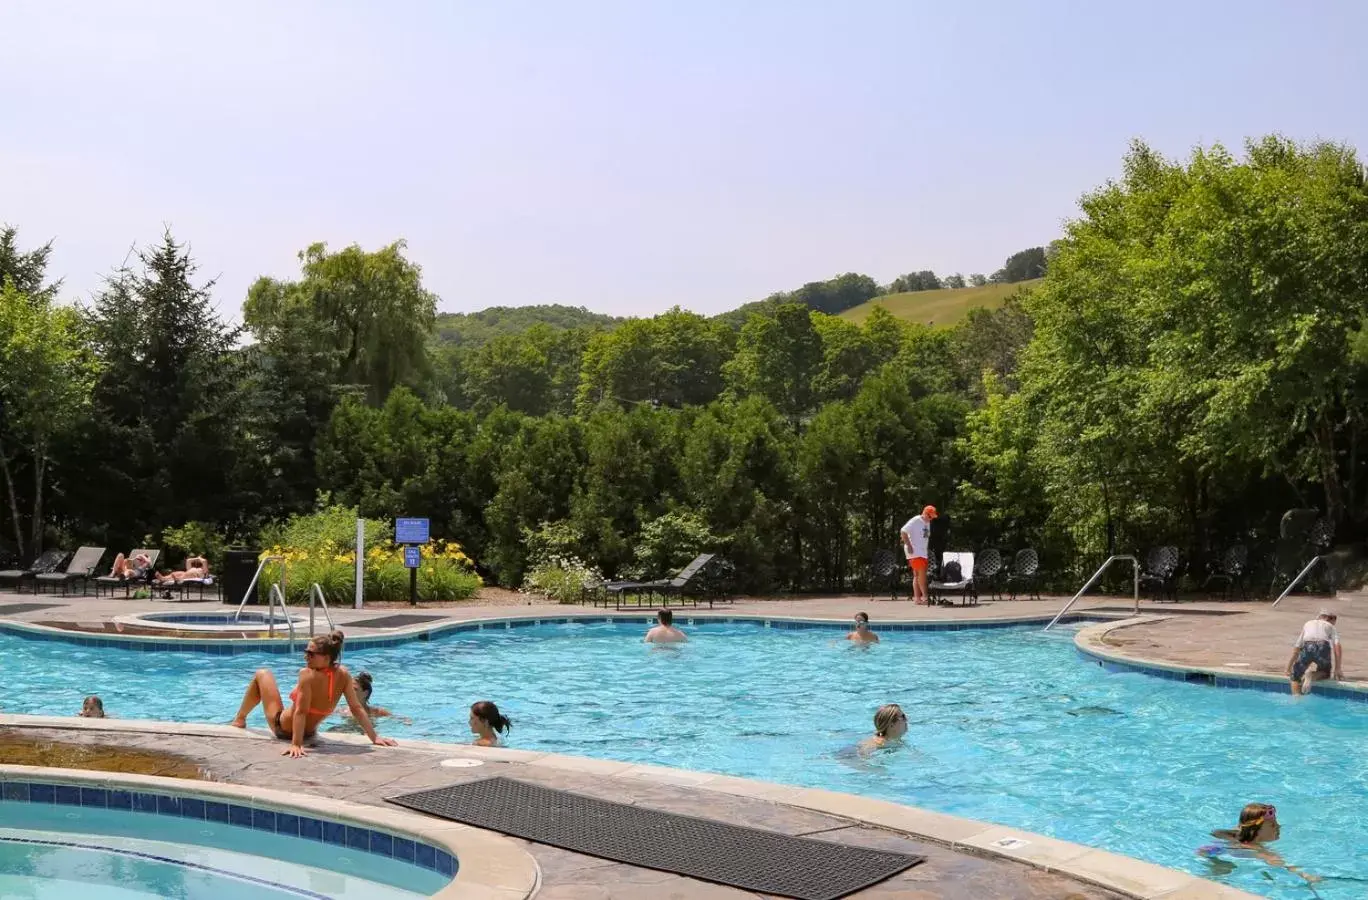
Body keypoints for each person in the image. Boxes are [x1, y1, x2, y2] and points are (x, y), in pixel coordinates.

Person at [229, 630, 397, 758]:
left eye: (310, 654)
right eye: (305, 652)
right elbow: (354, 708)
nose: (305, 657)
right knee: (263, 675)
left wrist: (296, 744)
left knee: (263, 674)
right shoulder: (340, 674)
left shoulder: (311, 675)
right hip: (298, 729)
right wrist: (373, 737)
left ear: (326, 657)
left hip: (284, 729)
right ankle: (240, 718)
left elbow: (354, 708)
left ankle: (240, 719)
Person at [1197, 803, 1320, 884]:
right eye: (1273, 825)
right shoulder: (1256, 849)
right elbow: (1279, 862)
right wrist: (1306, 875)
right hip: (1225, 858)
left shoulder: (1237, 834)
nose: (1278, 826)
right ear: (1255, 830)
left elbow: (1217, 834)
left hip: (1218, 853)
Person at [1286, 610, 1342, 695]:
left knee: (1295, 676)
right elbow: (1337, 646)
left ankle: (1297, 698)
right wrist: (1337, 668)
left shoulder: (1308, 623)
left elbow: (1297, 648)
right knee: (1325, 673)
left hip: (1308, 645)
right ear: (1329, 619)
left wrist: (1289, 668)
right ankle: (1311, 676)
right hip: (1322, 646)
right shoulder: (1330, 626)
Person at [339, 671, 412, 726]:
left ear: (366, 693)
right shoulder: (343, 711)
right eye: (349, 689)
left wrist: (407, 721)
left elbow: (400, 718)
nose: (349, 692)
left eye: (354, 689)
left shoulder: (377, 712)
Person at [899, 506, 937, 605]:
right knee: (922, 575)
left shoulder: (927, 522)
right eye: (930, 516)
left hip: (921, 552)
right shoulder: (916, 520)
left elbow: (924, 538)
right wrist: (909, 545)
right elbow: (903, 531)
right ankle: (925, 598)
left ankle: (917, 599)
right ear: (924, 513)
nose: (931, 518)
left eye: (932, 517)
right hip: (915, 552)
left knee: (916, 575)